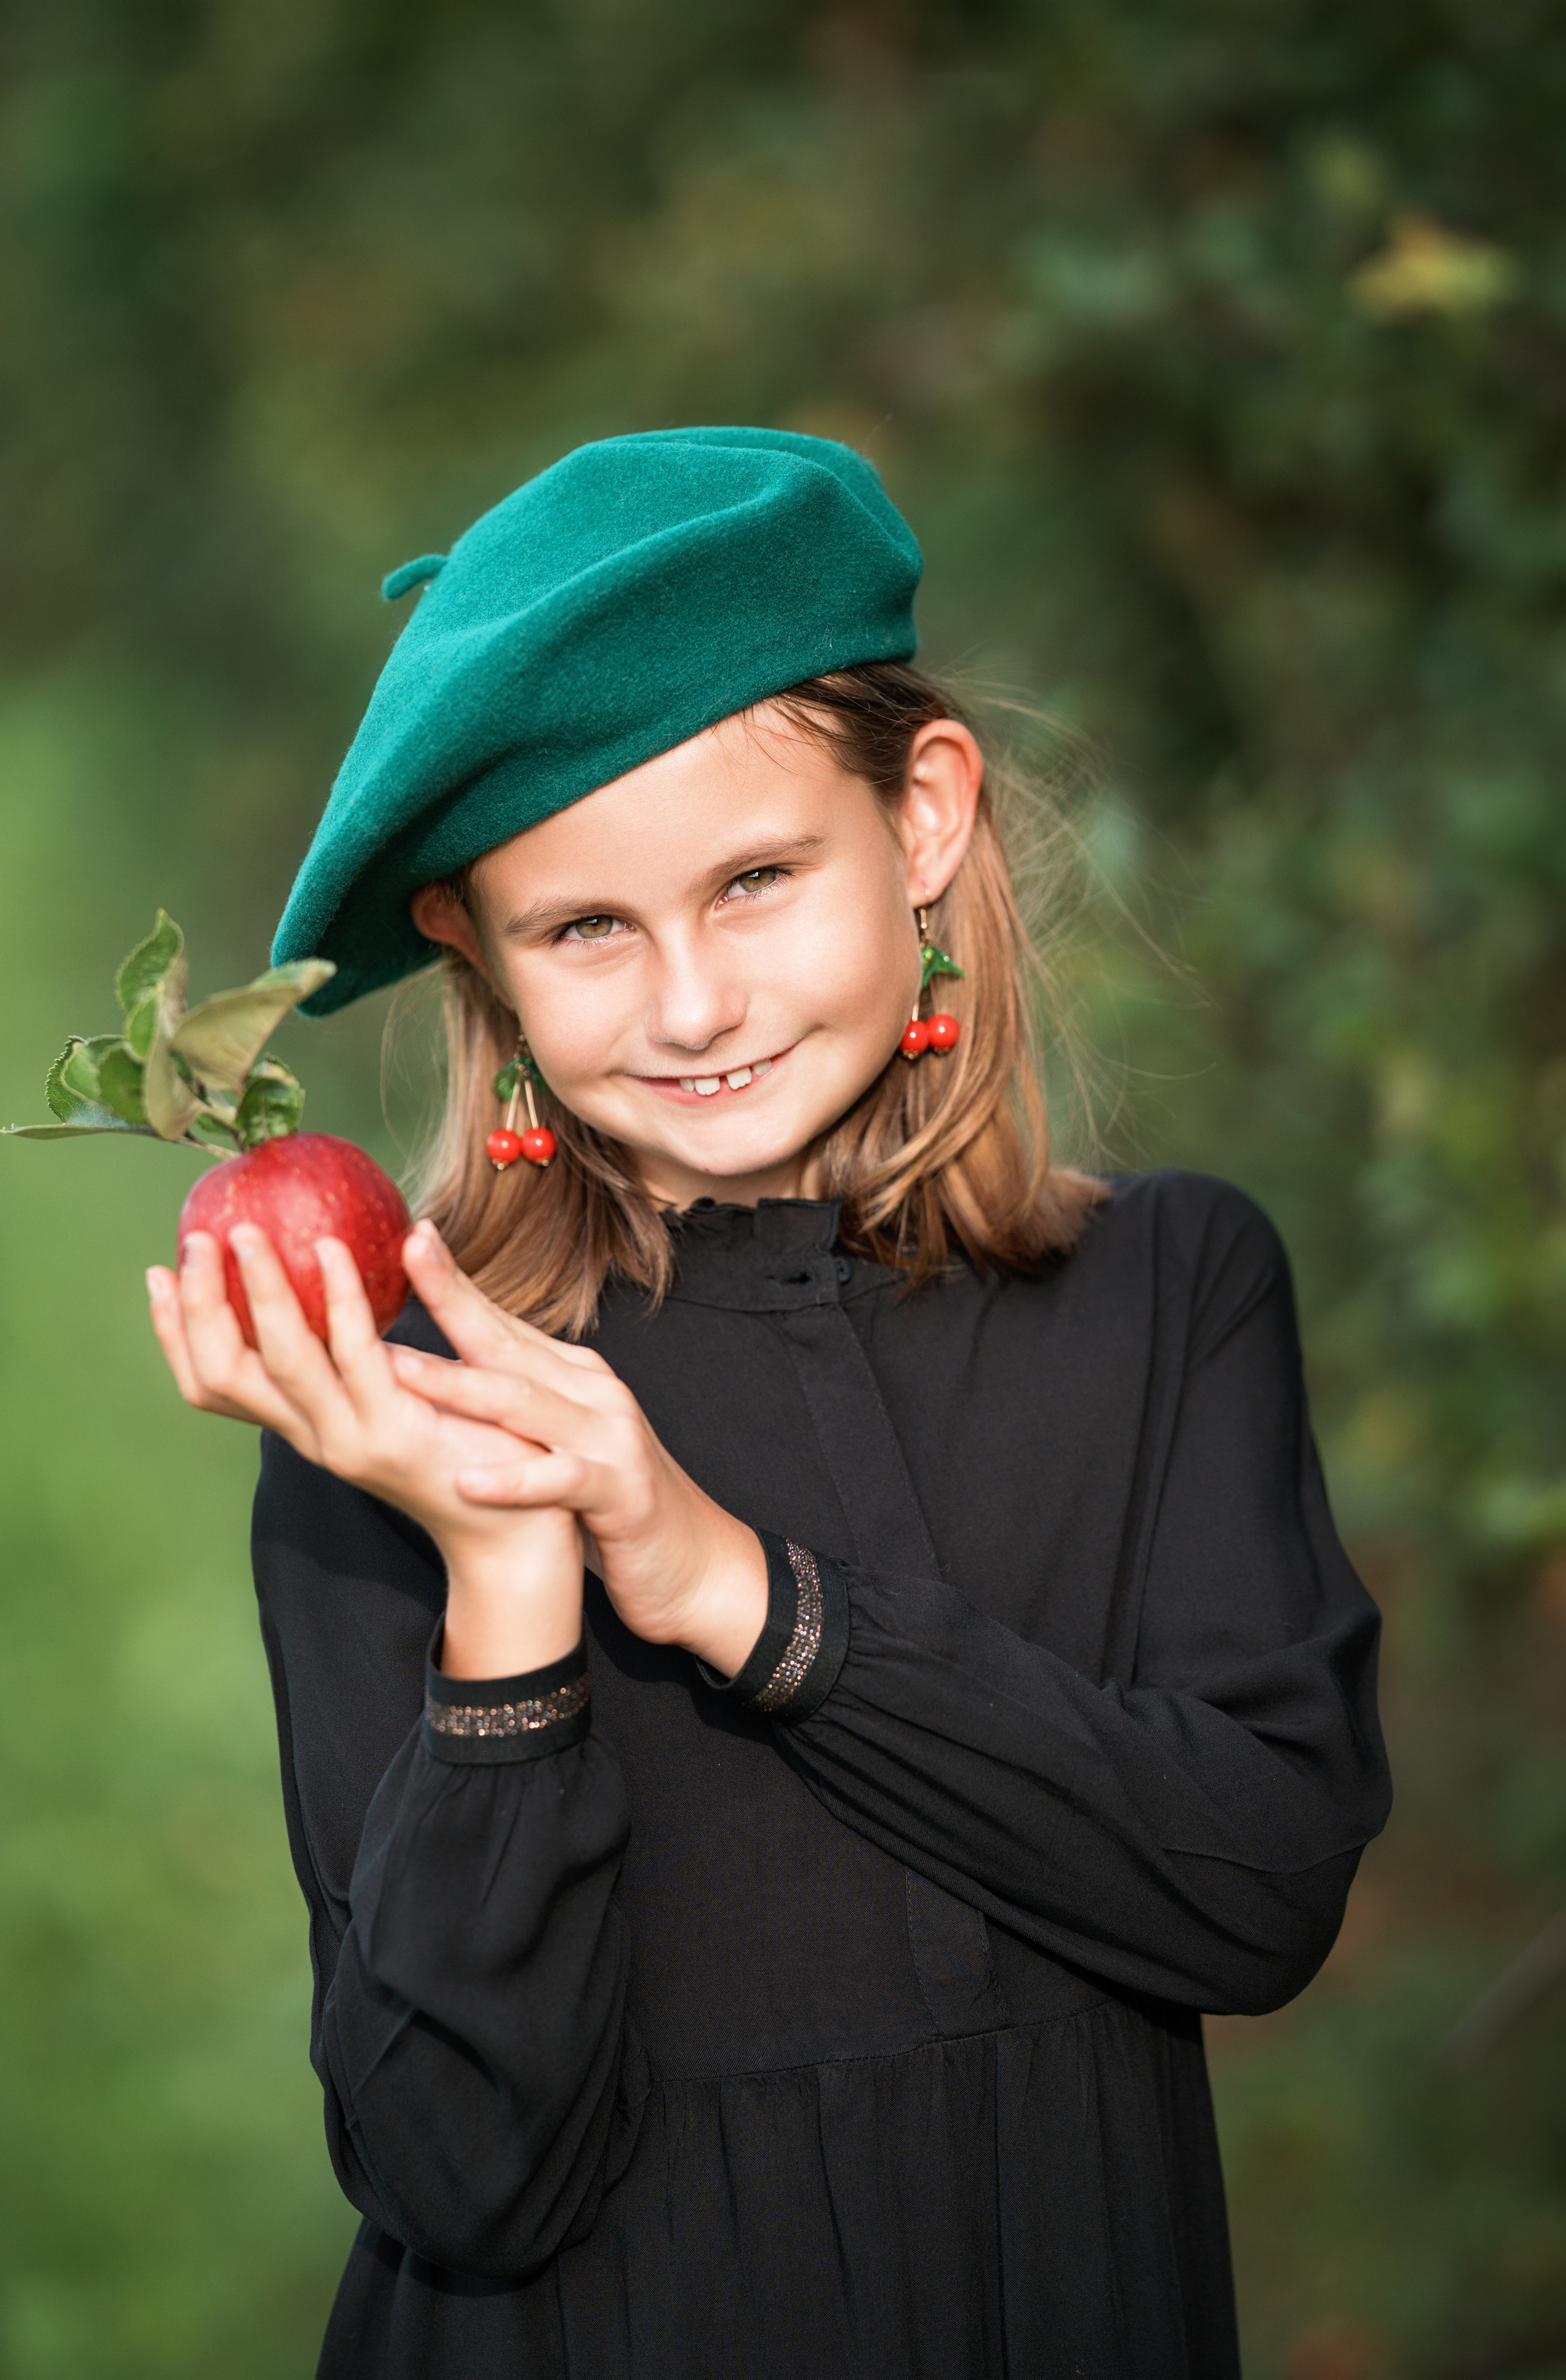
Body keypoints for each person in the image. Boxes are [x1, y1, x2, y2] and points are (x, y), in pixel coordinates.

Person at [146, 428, 1390, 2380]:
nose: (697, 1004)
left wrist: (735, 1587)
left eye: (754, 881)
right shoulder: (403, 1413)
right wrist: (508, 1591)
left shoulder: (1170, 1296)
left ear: (924, 822)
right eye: (587, 930)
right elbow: (462, 2172)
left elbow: (1256, 1892)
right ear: (473, 942)